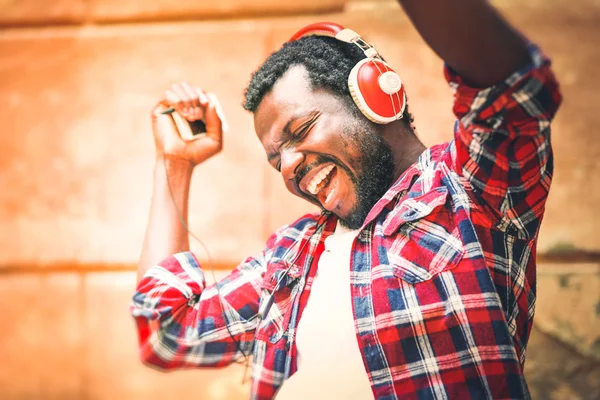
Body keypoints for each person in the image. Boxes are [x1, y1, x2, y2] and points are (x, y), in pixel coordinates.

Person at [131, 0, 562, 398]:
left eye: (299, 132)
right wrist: (175, 164)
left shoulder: (467, 186)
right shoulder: (290, 255)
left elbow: (512, 90)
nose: (287, 167)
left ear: (373, 96)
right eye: (275, 159)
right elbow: (165, 334)